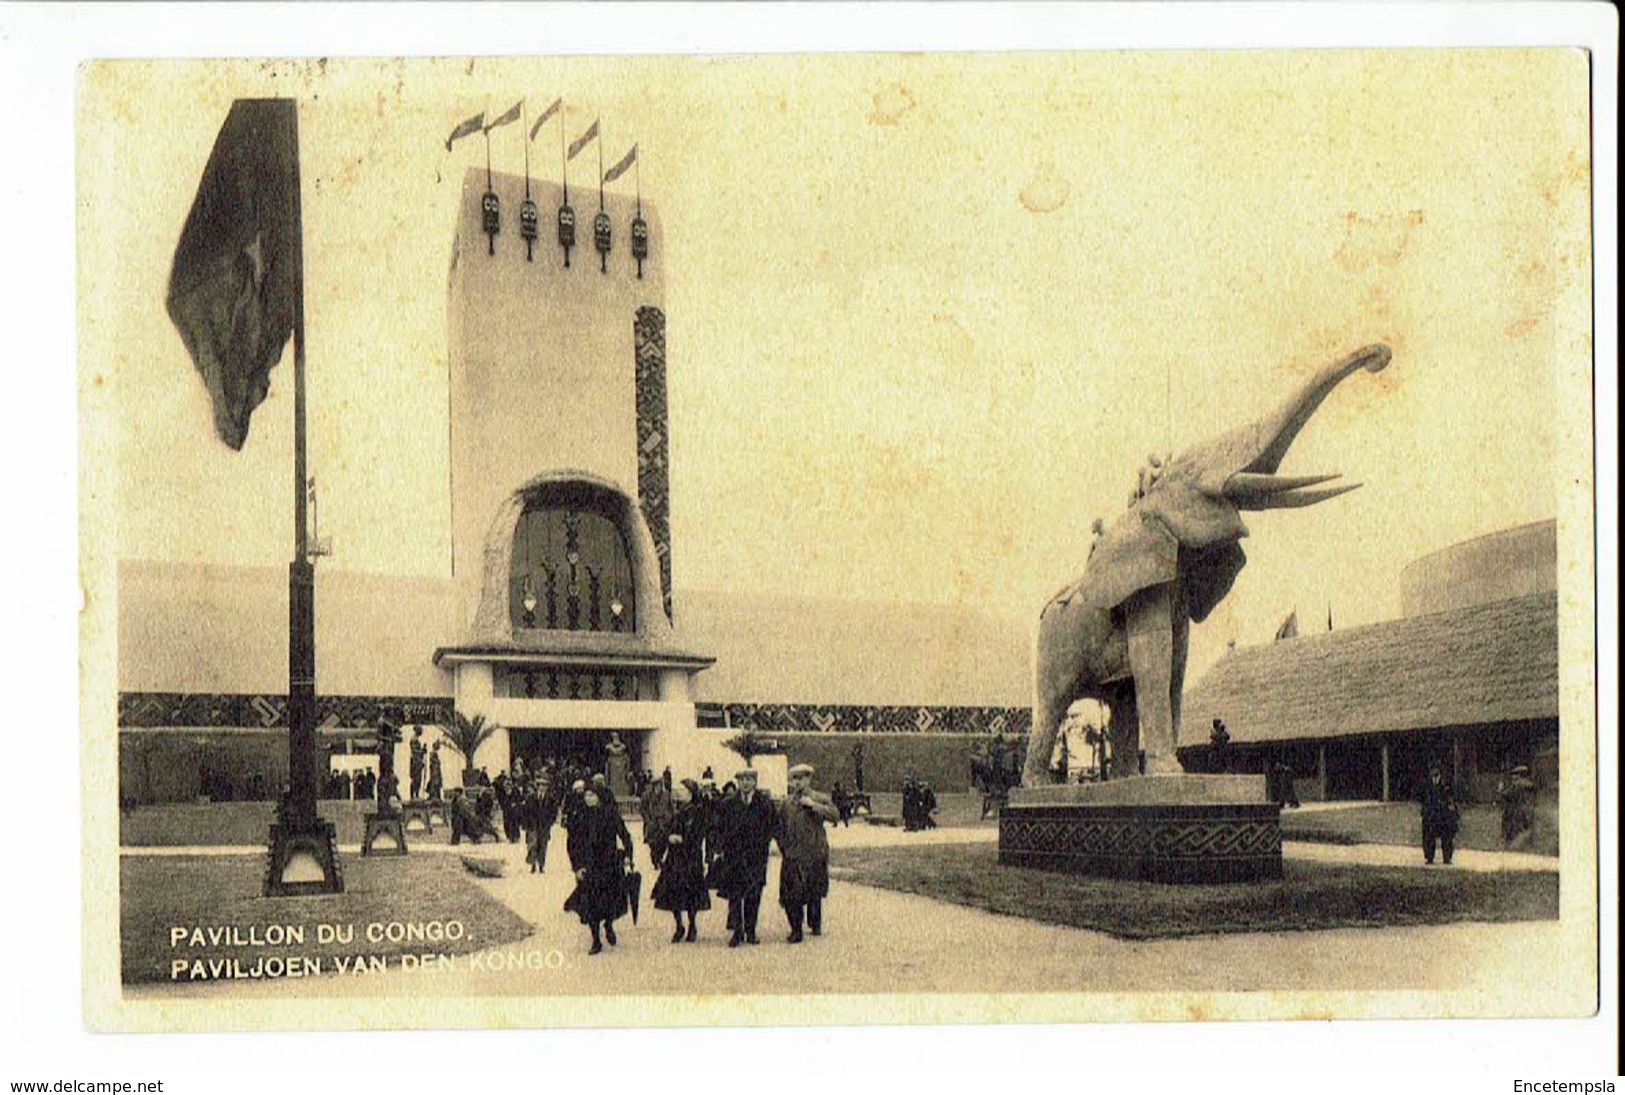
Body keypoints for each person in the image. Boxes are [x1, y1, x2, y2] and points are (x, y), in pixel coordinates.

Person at [563, 787, 635, 955]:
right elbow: (572, 844)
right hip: (589, 866)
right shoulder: (579, 817)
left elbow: (625, 836)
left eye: (592, 795)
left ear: (599, 797)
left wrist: (628, 856)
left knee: (610, 900)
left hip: (609, 864)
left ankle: (608, 925)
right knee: (590, 903)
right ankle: (596, 940)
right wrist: (577, 866)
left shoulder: (610, 814)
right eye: (586, 795)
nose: (588, 798)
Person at [774, 763, 839, 943]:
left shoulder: (819, 798)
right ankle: (796, 928)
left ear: (809, 779)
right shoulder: (787, 803)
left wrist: (814, 806)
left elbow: (835, 815)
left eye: (802, 778)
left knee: (814, 892)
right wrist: (784, 847)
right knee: (792, 894)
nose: (798, 782)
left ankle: (815, 922)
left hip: (814, 852)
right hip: (793, 854)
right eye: (795, 779)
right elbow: (778, 827)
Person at [714, 768, 775, 947]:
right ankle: (736, 931)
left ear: (755, 782)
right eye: (742, 780)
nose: (746, 783)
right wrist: (722, 847)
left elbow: (772, 826)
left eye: (749, 779)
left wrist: (765, 843)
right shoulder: (728, 804)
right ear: (738, 782)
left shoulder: (764, 803)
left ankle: (751, 930)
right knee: (735, 895)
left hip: (756, 857)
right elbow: (719, 827)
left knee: (753, 894)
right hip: (734, 856)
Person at [652, 780, 711, 942]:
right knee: (673, 892)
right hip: (675, 858)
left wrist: (682, 839)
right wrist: (667, 839)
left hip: (691, 858)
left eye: (684, 791)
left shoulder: (698, 812)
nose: (680, 793)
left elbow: (699, 835)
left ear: (692, 794)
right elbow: (667, 831)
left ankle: (692, 925)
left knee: (691, 893)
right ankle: (679, 925)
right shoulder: (678, 812)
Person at [1418, 765, 1459, 865]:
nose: (1435, 778)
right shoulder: (1427, 787)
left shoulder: (1445, 786)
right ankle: (1429, 857)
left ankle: (1447, 858)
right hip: (1431, 817)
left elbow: (1451, 800)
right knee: (1429, 838)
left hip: (1443, 817)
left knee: (1447, 838)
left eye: (1437, 776)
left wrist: (1453, 815)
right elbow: (1423, 800)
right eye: (1433, 776)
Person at [1496, 764, 1537, 846]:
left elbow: (1507, 795)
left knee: (1511, 825)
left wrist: (1500, 790)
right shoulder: (1531, 785)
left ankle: (1511, 842)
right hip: (1528, 809)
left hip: (1515, 809)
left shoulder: (1516, 785)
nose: (1513, 776)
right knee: (1527, 827)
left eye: (1515, 774)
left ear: (1519, 775)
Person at [640, 773, 674, 867]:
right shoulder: (646, 795)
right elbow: (643, 809)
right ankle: (655, 859)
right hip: (652, 824)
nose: (658, 787)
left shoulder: (666, 794)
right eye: (655, 785)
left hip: (664, 823)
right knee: (653, 844)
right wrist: (647, 820)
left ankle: (659, 858)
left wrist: (670, 817)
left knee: (663, 843)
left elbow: (671, 808)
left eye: (659, 784)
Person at [408, 727, 427, 800]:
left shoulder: (416, 739)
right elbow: (414, 751)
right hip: (415, 761)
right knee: (415, 779)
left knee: (418, 779)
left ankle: (416, 794)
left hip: (418, 761)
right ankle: (413, 796)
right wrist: (422, 751)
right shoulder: (413, 739)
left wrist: (423, 750)